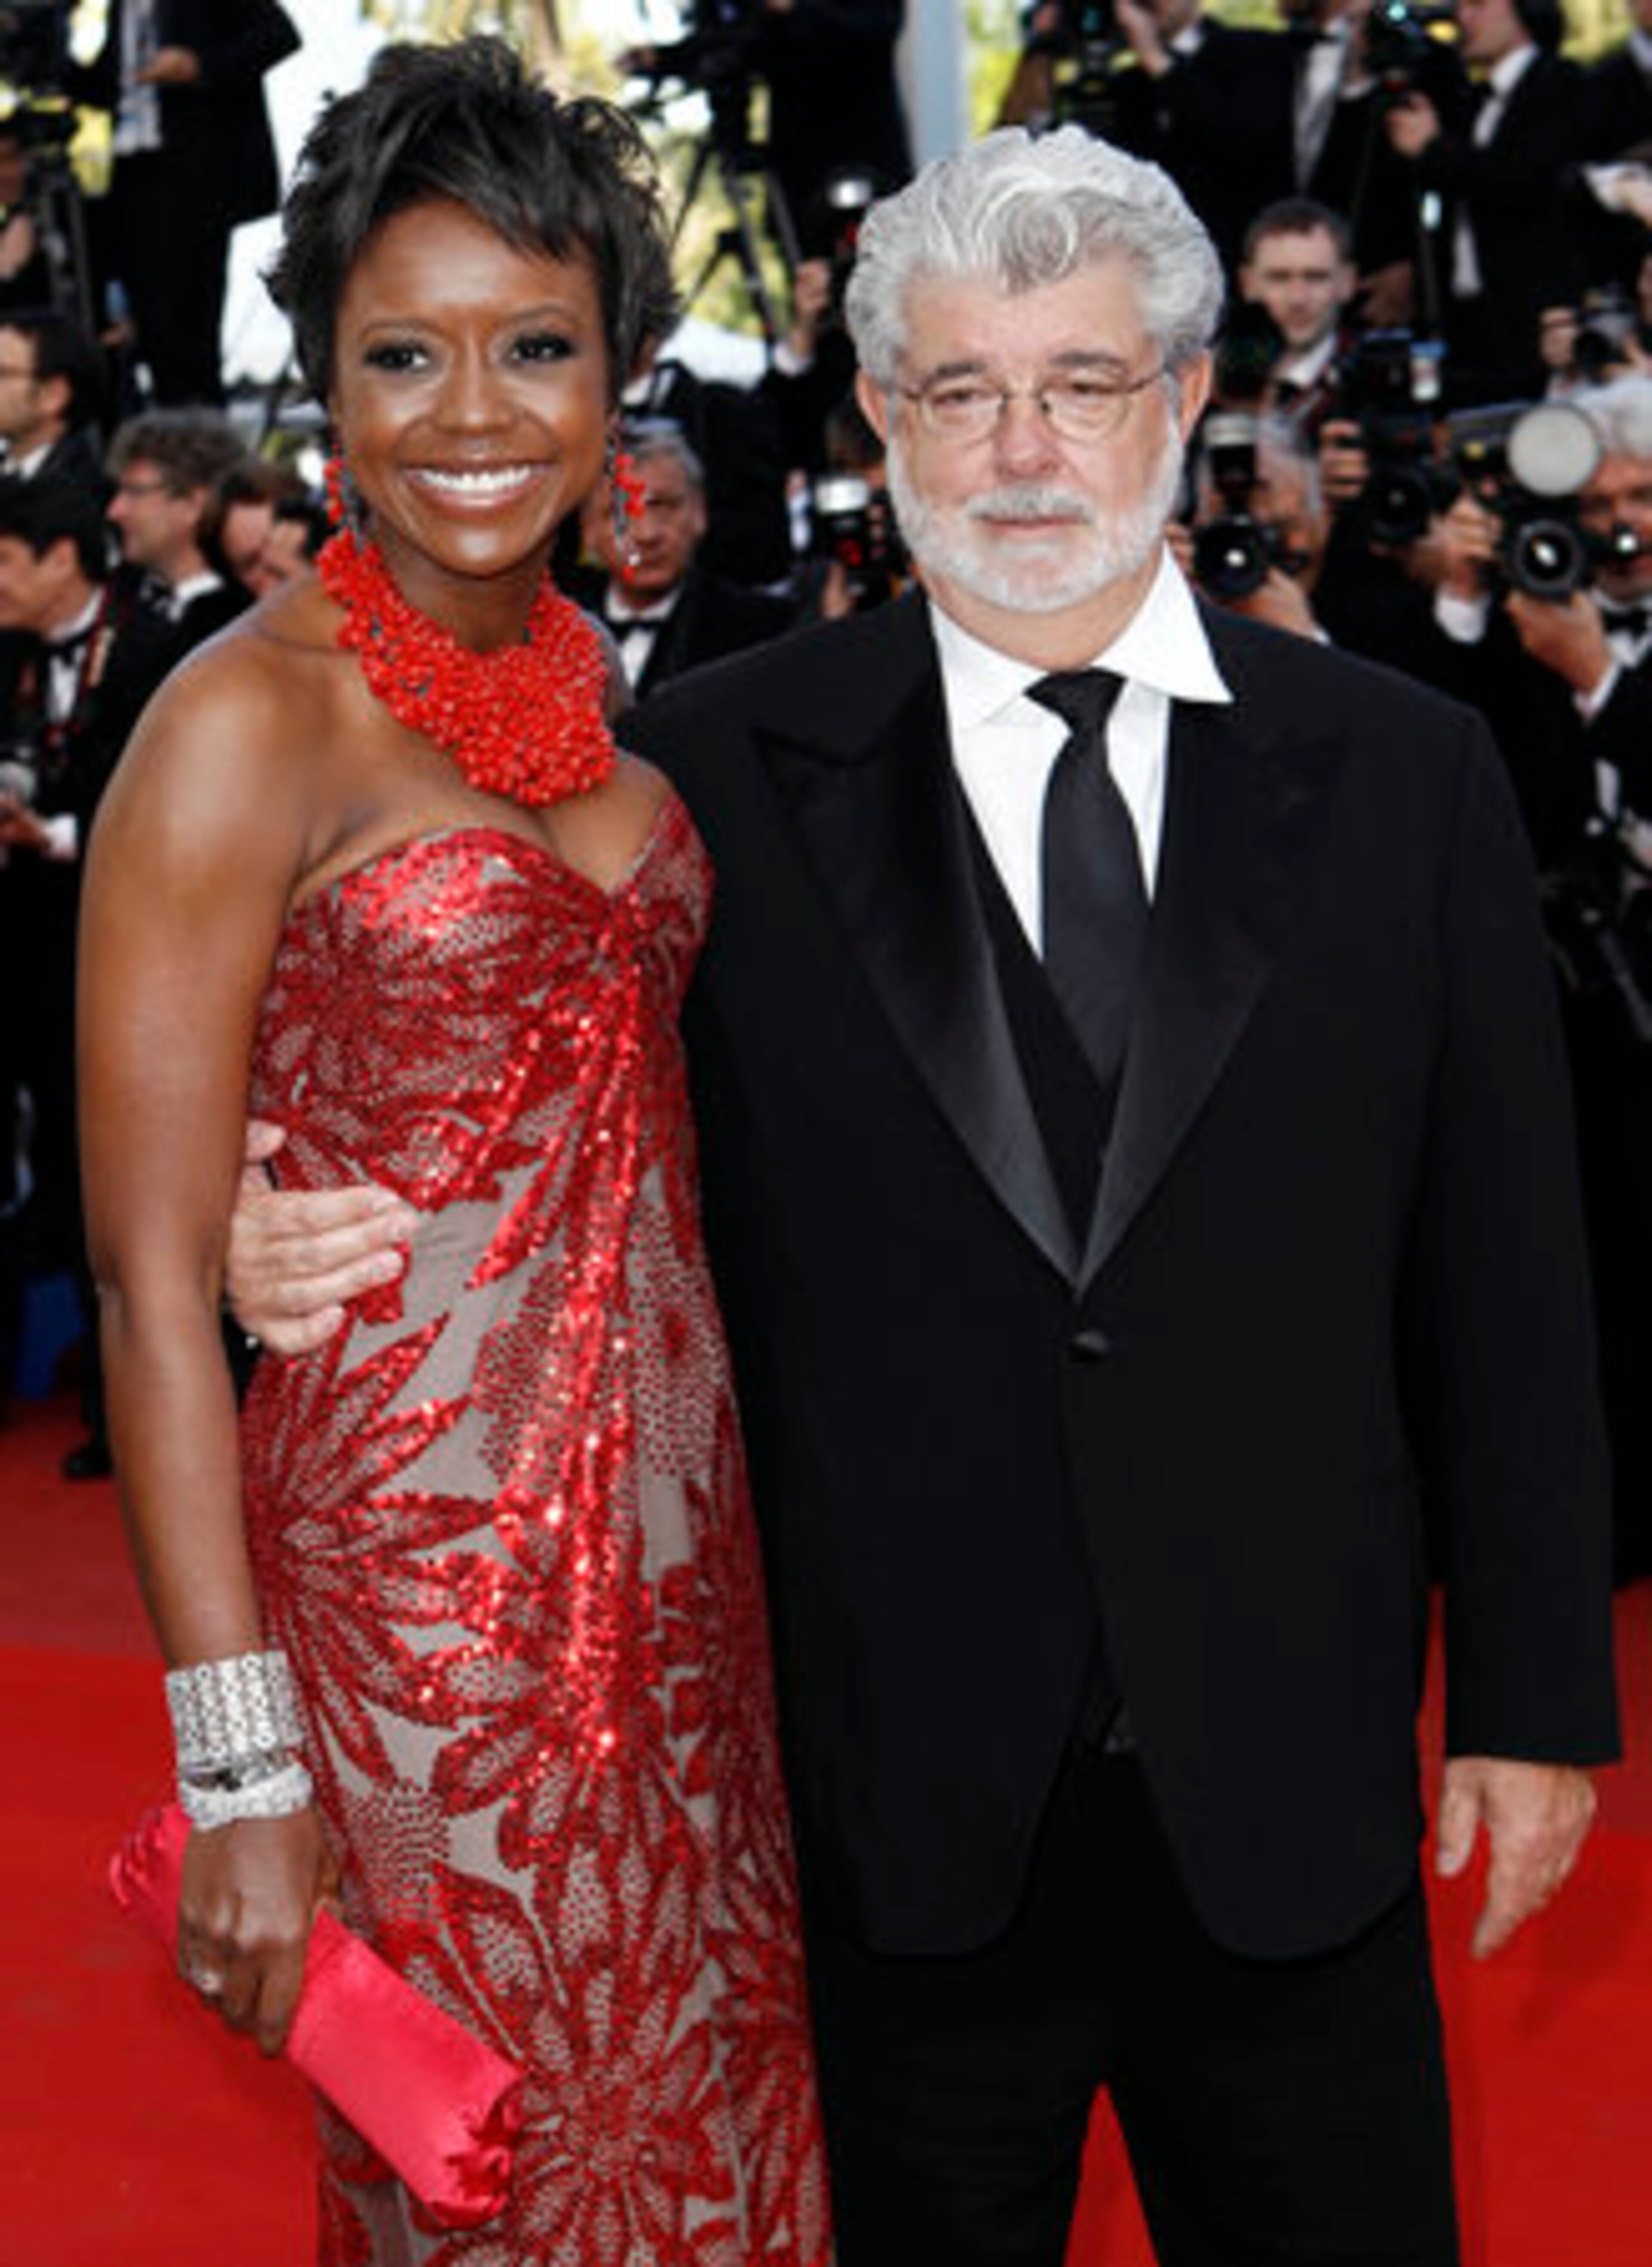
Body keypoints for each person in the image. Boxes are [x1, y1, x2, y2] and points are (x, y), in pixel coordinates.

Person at [228, 126, 1618, 2267]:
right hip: (871, 1803)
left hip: (1290, 1781)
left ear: (1181, 397)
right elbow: (526, 1150)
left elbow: (1511, 1275)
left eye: (1081, 381)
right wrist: (265, 1223)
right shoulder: (705, 770)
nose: (1025, 444)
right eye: (961, 390)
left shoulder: (1404, 769)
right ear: (881, 420)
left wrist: (1533, 1703)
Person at [78, 39, 829, 2265]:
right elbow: (141, 1288)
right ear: (322, 377)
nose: (473, 413)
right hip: (427, 1635)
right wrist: (244, 1774)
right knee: (505, 2202)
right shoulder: (242, 723)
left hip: (697, 1613)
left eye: (537, 349)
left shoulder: (597, 688)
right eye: (405, 354)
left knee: (737, 2178)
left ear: (623, 377)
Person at [0, 473, 180, 1478]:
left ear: (60, 557)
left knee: (106, 1184)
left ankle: (129, 1410)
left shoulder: (154, 651)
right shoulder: (11, 653)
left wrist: (57, 829)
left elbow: (160, 804)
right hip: (25, 951)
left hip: (126, 964)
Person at [67, 0, 299, 408]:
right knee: (150, 331)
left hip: (192, 178)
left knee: (185, 334)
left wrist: (199, 66)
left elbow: (278, 36)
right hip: (132, 176)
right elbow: (111, 82)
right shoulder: (122, 8)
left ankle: (196, 445)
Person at [570, 417, 796, 700]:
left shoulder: (765, 631)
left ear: (699, 511)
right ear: (587, 529)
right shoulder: (544, 635)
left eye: (664, 506)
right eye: (621, 515)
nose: (647, 534)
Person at [105, 407, 250, 647]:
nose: (115, 511)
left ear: (193, 505)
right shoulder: (118, 600)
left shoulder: (234, 625)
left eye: (135, 492)